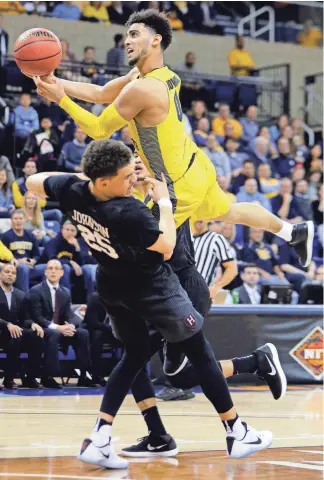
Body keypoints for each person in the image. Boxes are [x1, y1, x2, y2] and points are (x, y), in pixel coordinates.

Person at [26, 139, 281, 467]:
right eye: (126, 175)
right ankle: (236, 430)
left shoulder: (75, 191)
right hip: (153, 288)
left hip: (112, 284)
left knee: (137, 358)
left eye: (135, 169)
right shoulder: (129, 211)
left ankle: (100, 435)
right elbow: (168, 246)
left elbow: (34, 182)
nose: (133, 177)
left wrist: (81, 180)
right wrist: (162, 202)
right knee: (198, 355)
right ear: (105, 181)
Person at [33, 10, 313, 279]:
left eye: (134, 34)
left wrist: (61, 99)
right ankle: (293, 232)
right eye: (126, 36)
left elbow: (98, 130)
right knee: (231, 211)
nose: (127, 41)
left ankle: (170, 314)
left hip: (176, 183)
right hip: (195, 165)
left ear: (155, 39)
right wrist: (59, 82)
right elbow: (102, 93)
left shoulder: (143, 88)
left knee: (143, 247)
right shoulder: (153, 75)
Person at [27, 259, 93, 388]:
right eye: (50, 268)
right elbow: (37, 317)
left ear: (62, 273)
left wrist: (70, 326)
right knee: (53, 333)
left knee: (82, 333)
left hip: (60, 329)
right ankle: (49, 376)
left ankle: (84, 374)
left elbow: (68, 315)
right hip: (43, 329)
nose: (53, 271)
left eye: (56, 268)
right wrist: (58, 328)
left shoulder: (66, 292)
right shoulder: (36, 290)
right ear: (45, 272)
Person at [0, 264, 44, 389]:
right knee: (16, 337)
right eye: (7, 272)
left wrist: (33, 324)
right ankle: (9, 379)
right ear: (0, 274)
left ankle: (30, 378)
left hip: (14, 333)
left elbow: (26, 318)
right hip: (1, 331)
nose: (10, 274)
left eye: (13, 273)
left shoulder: (20, 295)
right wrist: (7, 324)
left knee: (36, 336)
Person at [192, 219, 238, 302]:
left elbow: (232, 269)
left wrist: (216, 287)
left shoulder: (216, 239)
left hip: (200, 295)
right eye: (196, 213)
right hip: (180, 294)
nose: (199, 217)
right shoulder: (184, 237)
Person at [1, 210, 46, 292]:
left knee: (47, 267)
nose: (18, 221)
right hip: (15, 268)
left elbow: (37, 255)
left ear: (24, 220)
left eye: (21, 218)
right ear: (11, 220)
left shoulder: (31, 236)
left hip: (30, 267)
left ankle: (45, 297)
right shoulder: (6, 236)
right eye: (15, 219)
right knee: (23, 267)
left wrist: (33, 260)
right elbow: (3, 257)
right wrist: (19, 261)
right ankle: (26, 298)